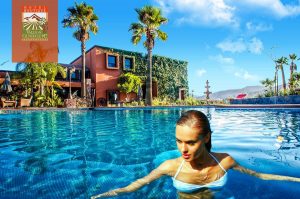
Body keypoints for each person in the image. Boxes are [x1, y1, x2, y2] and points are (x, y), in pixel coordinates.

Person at [91, 110, 300, 199]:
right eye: (178, 141)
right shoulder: (171, 167)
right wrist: (105, 195)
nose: (183, 149)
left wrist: (295, 179)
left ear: (206, 138)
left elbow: (260, 176)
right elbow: (137, 185)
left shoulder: (224, 161)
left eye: (190, 142)